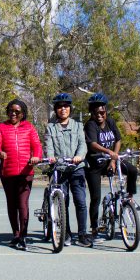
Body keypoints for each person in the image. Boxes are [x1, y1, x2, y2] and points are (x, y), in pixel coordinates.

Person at [84, 93, 139, 243]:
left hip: (110, 160)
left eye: (102, 112)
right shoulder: (90, 125)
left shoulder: (111, 122)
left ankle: (130, 198)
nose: (99, 115)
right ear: (92, 113)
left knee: (133, 170)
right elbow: (92, 144)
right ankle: (94, 228)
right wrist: (108, 152)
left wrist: (113, 158)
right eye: (96, 113)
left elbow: (118, 139)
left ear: (106, 111)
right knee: (95, 197)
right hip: (95, 163)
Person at [44, 93, 90, 247]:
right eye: (59, 107)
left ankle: (83, 234)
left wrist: (79, 156)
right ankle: (66, 234)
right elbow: (48, 145)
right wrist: (50, 157)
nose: (63, 109)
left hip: (76, 168)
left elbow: (83, 144)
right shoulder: (50, 128)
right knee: (64, 202)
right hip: (60, 169)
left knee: (81, 202)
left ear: (70, 108)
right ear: (56, 110)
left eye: (66, 106)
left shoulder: (78, 126)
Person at [0, 99, 42, 250]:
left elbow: (37, 146)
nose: (13, 113)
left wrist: (36, 157)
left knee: (22, 204)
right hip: (7, 172)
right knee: (12, 204)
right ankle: (15, 234)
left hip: (25, 172)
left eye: (17, 111)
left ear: (23, 113)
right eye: (11, 110)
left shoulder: (29, 127)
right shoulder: (1, 127)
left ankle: (23, 235)